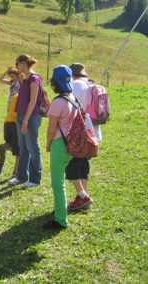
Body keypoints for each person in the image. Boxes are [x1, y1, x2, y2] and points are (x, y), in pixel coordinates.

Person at [44, 65, 78, 230]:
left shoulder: (57, 102)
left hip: (59, 145)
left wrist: (48, 145)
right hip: (71, 144)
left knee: (58, 184)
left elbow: (51, 131)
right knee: (61, 181)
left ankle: (60, 220)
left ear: (55, 82)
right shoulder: (72, 97)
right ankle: (60, 210)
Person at [65, 63, 101, 211]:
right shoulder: (91, 84)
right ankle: (82, 196)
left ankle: (82, 196)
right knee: (83, 164)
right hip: (94, 132)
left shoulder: (76, 85)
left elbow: (71, 107)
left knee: (72, 164)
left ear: (72, 74)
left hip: (80, 133)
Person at [8, 54, 43, 188]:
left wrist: (25, 121)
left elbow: (33, 101)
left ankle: (34, 178)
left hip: (30, 118)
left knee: (33, 147)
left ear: (23, 63)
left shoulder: (34, 79)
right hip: (21, 116)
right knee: (23, 148)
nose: (16, 67)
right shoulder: (26, 78)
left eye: (17, 64)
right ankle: (21, 176)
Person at [0, 67, 21, 177]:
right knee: (15, 144)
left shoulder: (21, 83)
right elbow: (0, 79)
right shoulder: (12, 82)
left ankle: (16, 171)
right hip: (11, 105)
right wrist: (6, 70)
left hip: (17, 106)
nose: (11, 77)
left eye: (12, 75)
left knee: (17, 145)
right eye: (10, 76)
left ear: (17, 75)